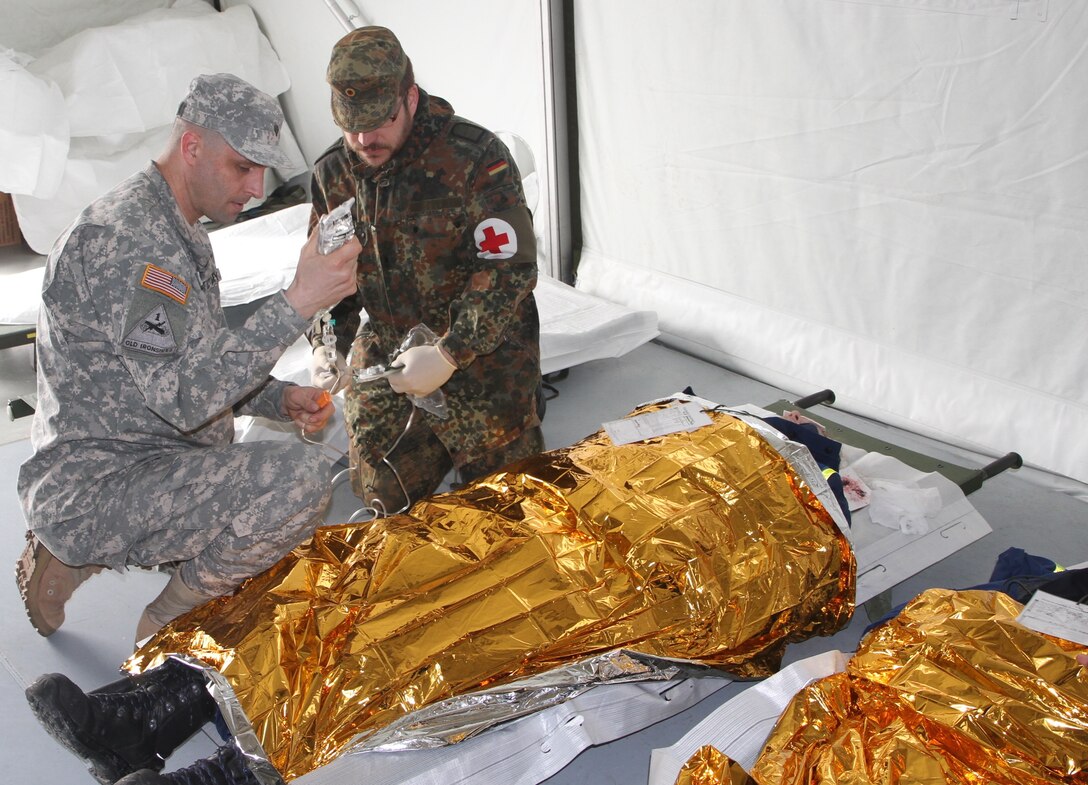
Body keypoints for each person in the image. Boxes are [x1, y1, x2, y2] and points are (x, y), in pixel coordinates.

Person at [15, 73, 361, 645]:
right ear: (191, 146)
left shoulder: (173, 223)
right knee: (297, 484)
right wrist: (300, 301)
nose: (255, 187)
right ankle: (168, 615)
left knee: (246, 463)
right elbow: (184, 399)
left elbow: (190, 356)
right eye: (242, 167)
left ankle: (76, 557)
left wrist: (277, 396)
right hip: (99, 480)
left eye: (263, 172)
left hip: (144, 450)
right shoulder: (131, 242)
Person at [308, 26, 544, 512]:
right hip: (392, 353)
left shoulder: (475, 157)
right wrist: (326, 343)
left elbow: (508, 270)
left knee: (510, 505)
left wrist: (452, 353)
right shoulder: (334, 172)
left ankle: (518, 417)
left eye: (379, 121)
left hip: (484, 353)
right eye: (351, 125)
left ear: (410, 97)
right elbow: (329, 275)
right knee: (379, 494)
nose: (364, 138)